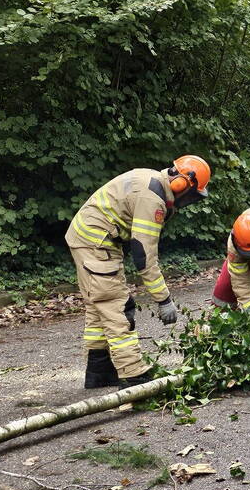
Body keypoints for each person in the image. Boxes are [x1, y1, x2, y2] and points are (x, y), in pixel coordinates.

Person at [66, 155, 211, 388]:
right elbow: (144, 256)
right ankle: (133, 374)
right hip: (96, 242)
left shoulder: (154, 184)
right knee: (116, 305)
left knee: (99, 305)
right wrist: (163, 299)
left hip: (93, 239)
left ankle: (99, 371)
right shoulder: (152, 198)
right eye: (192, 195)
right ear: (181, 184)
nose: (189, 201)